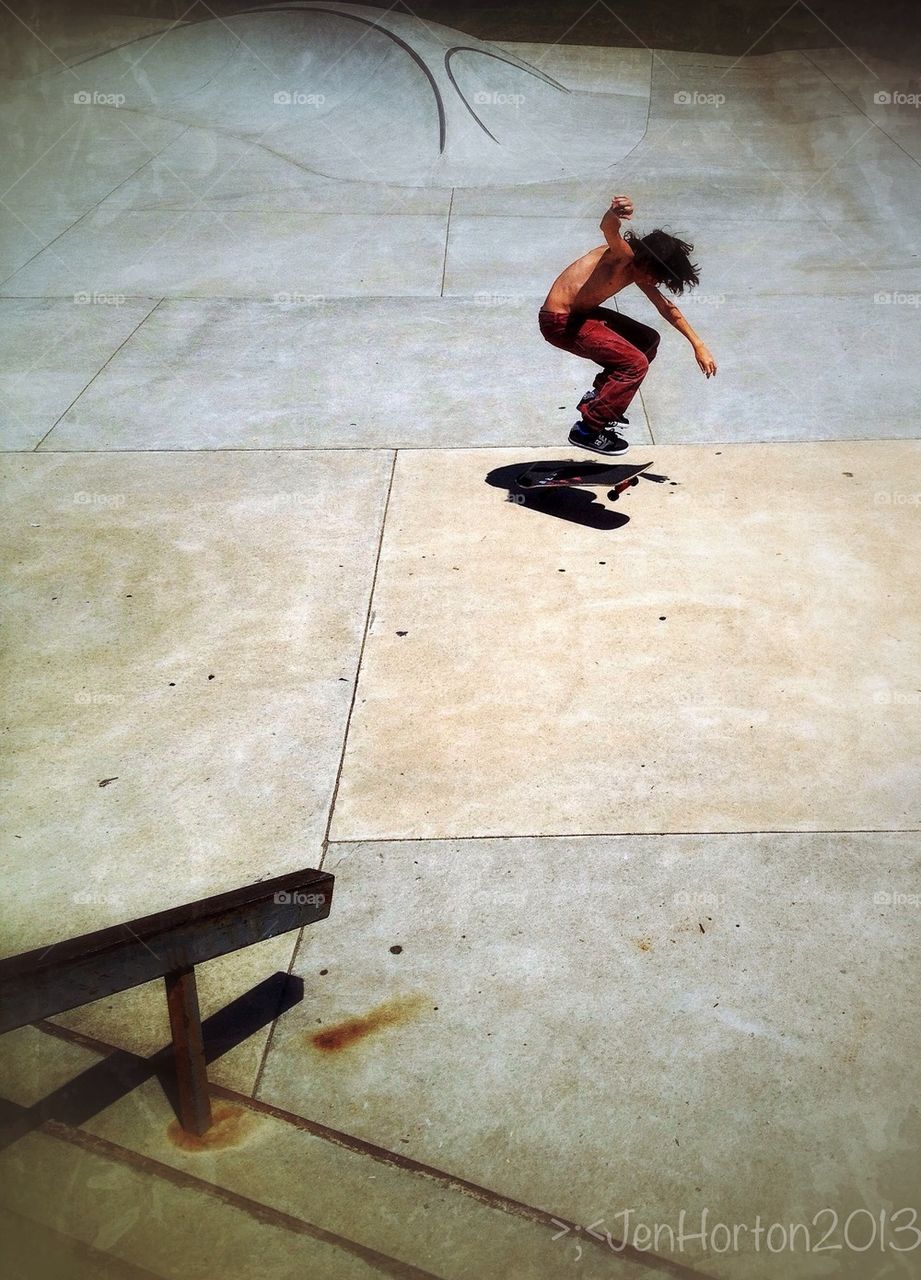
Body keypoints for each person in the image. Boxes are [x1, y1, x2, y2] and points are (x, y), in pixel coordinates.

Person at [539, 195, 717, 455]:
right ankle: (588, 430)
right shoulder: (621, 256)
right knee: (635, 364)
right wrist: (615, 212)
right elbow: (608, 229)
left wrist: (697, 344)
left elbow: (666, 307)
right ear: (644, 260)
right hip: (559, 323)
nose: (653, 282)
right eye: (654, 274)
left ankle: (599, 398)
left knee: (648, 340)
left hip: (581, 316)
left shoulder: (639, 272)